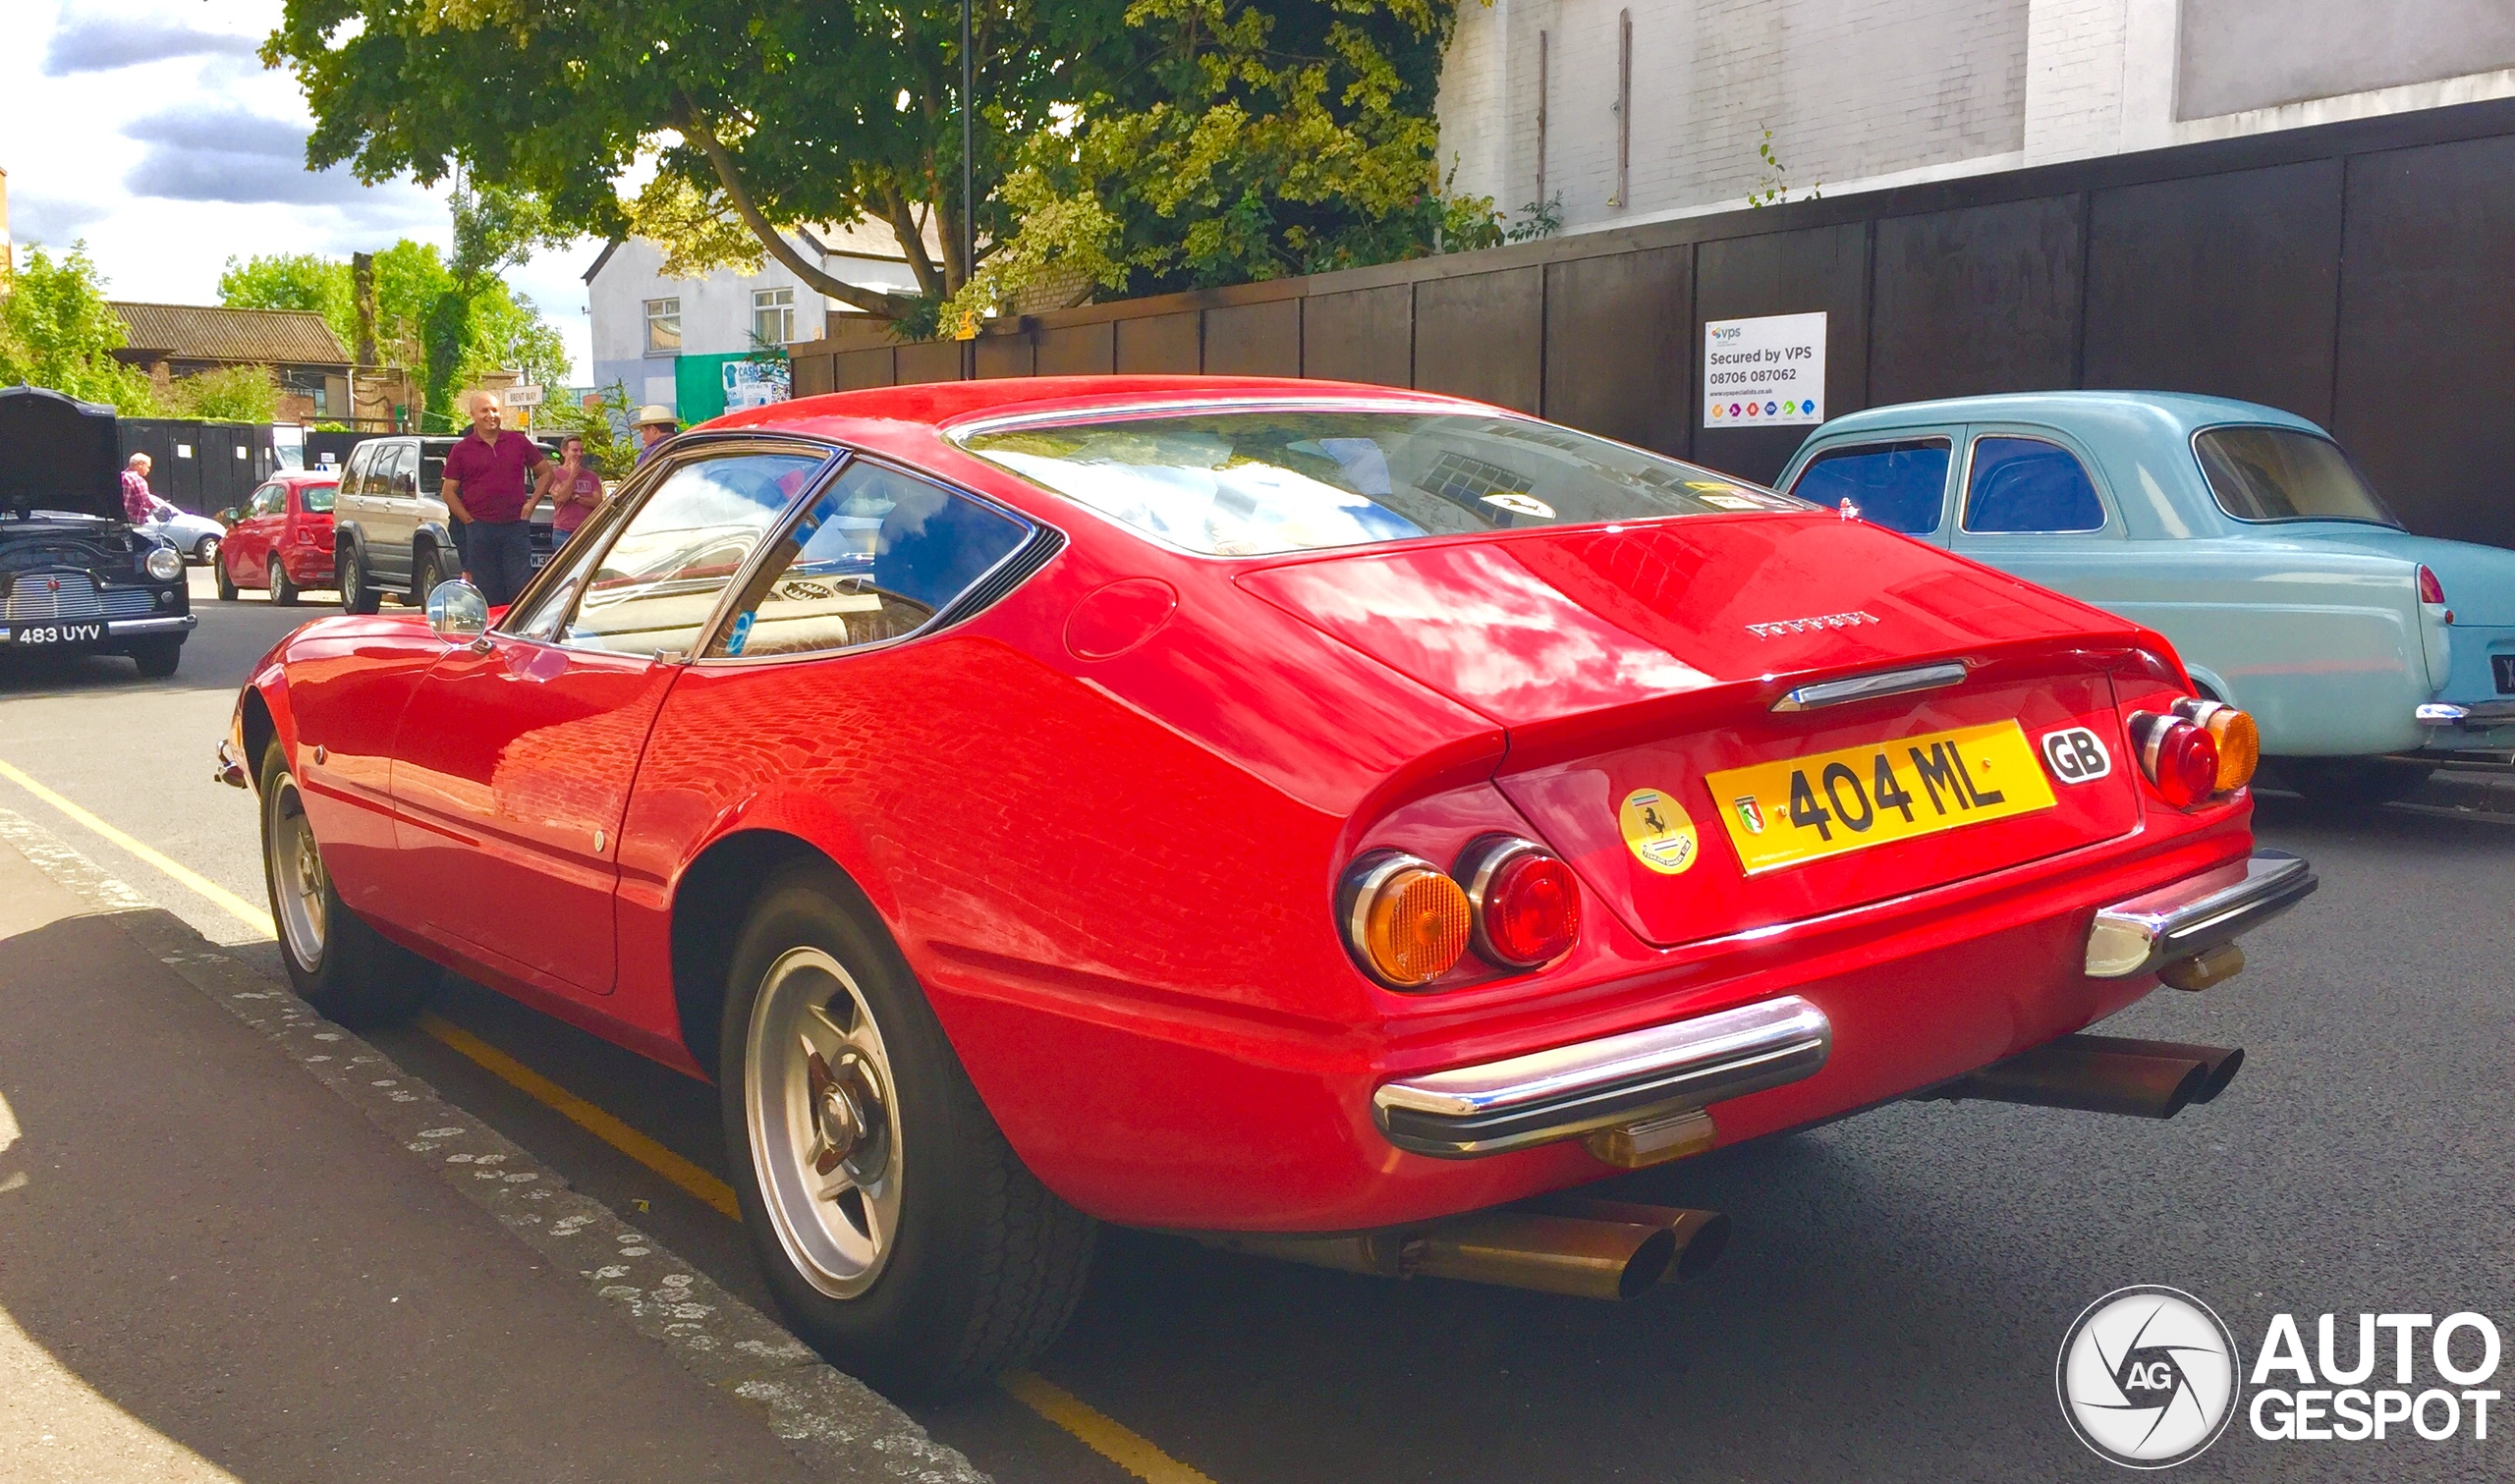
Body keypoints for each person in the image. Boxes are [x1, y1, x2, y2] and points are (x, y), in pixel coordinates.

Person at [438, 388, 549, 607]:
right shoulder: (461, 450)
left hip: (515, 527)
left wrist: (530, 505)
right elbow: (448, 491)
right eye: (484, 410)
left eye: (495, 410)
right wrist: (468, 520)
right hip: (481, 530)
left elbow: (546, 473)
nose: (491, 415)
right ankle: (493, 634)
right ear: (472, 415)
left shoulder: (517, 441)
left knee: (521, 588)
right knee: (489, 591)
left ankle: (518, 633)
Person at [534, 435, 604, 546]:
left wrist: (575, 497)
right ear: (564, 452)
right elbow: (561, 497)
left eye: (581, 450)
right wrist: (573, 475)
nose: (579, 454)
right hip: (563, 532)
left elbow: (598, 502)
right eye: (575, 450)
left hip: (587, 531)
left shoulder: (591, 476)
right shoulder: (554, 475)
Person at [120, 454, 155, 524]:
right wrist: (161, 507)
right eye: (147, 467)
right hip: (133, 522)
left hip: (118, 519)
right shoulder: (137, 479)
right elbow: (146, 502)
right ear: (140, 464)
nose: (148, 470)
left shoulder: (121, 476)